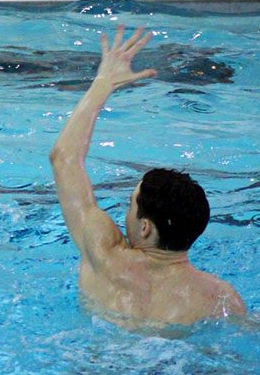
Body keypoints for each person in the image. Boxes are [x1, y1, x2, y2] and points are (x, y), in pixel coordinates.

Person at [49, 25, 246, 326]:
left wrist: (103, 83)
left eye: (130, 204)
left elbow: (64, 159)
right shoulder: (219, 298)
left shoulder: (106, 259)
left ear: (145, 228)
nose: (124, 211)